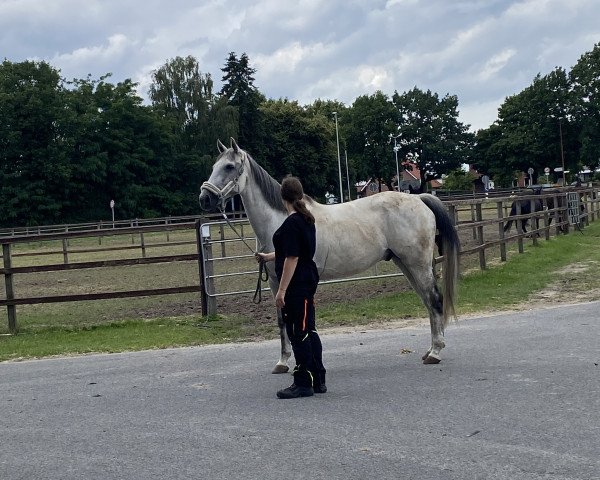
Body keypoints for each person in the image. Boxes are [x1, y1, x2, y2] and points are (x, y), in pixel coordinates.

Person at [256, 176, 326, 399]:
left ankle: (303, 381)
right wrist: (269, 256)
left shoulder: (292, 223)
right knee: (309, 329)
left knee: (298, 332)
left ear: (282, 197)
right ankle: (318, 377)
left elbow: (292, 257)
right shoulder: (306, 219)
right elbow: (294, 250)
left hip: (297, 284)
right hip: (308, 279)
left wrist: (281, 290)